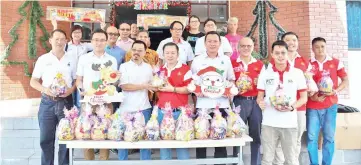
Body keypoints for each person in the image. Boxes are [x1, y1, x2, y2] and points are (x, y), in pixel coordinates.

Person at [256, 40, 308, 165]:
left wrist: (292, 107)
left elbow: (303, 98)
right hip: (269, 123)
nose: (280, 56)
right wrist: (260, 103)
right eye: (277, 53)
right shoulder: (265, 74)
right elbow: (259, 97)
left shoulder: (297, 73)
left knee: (291, 159)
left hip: (289, 123)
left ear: (287, 54)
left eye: (283, 53)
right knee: (267, 159)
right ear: (272, 54)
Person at [30, 29, 76, 165]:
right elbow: (33, 81)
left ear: (66, 41)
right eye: (56, 39)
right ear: (50, 40)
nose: (60, 42)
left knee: (66, 140)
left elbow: (76, 80)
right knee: (45, 140)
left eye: (62, 39)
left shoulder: (72, 59)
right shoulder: (43, 59)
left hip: (66, 103)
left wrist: (70, 90)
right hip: (47, 103)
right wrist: (45, 90)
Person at [191, 31, 236, 164]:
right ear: (204, 43)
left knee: (220, 138)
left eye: (215, 41)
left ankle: (220, 162)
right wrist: (196, 91)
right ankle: (201, 162)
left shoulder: (226, 60)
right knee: (201, 137)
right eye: (209, 41)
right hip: (203, 105)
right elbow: (193, 82)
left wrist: (228, 90)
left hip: (221, 105)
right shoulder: (197, 60)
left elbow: (231, 80)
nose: (212, 44)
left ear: (220, 43)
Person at [76, 29, 118, 160]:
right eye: (95, 40)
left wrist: (115, 80)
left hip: (106, 103)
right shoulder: (84, 58)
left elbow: (113, 82)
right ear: (91, 41)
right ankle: (89, 161)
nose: (98, 43)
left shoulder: (112, 60)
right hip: (88, 102)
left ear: (106, 41)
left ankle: (103, 161)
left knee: (105, 134)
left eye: (101, 40)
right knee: (86, 133)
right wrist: (80, 89)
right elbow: (79, 79)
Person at [306, 37, 348, 165]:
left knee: (329, 137)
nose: (320, 49)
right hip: (313, 106)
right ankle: (314, 163)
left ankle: (327, 163)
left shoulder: (335, 62)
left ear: (326, 47)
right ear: (313, 49)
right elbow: (304, 84)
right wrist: (312, 96)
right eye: (317, 47)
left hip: (330, 105)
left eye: (322, 46)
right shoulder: (308, 64)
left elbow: (346, 80)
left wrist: (335, 91)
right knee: (311, 137)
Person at [273, 31, 311, 165]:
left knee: (296, 138)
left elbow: (310, 83)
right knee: (278, 138)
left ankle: (293, 162)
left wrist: (311, 88)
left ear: (298, 43)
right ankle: (279, 162)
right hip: (279, 106)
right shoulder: (275, 61)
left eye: (294, 40)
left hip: (299, 106)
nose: (291, 43)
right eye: (288, 40)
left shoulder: (305, 62)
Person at [117, 40, 155, 160]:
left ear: (145, 52)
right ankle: (122, 163)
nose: (136, 53)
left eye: (140, 50)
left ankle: (146, 162)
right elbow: (124, 86)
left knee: (145, 140)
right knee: (123, 141)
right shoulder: (124, 66)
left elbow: (153, 85)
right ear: (131, 51)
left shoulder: (149, 68)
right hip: (126, 108)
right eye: (134, 50)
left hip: (144, 108)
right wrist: (143, 86)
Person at [156, 42, 192, 160]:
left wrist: (173, 89)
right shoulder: (159, 70)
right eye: (167, 53)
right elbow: (156, 89)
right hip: (162, 112)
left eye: (173, 53)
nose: (170, 55)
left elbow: (189, 89)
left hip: (180, 113)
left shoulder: (186, 69)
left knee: (182, 144)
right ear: (163, 54)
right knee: (164, 146)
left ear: (178, 54)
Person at [231, 37, 263, 165]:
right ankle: (237, 162)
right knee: (236, 134)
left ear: (253, 47)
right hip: (239, 101)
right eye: (243, 46)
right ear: (238, 48)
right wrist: (233, 86)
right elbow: (228, 80)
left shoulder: (259, 64)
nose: (246, 48)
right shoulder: (232, 63)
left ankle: (255, 162)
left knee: (256, 135)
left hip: (255, 102)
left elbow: (264, 85)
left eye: (248, 46)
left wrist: (259, 83)